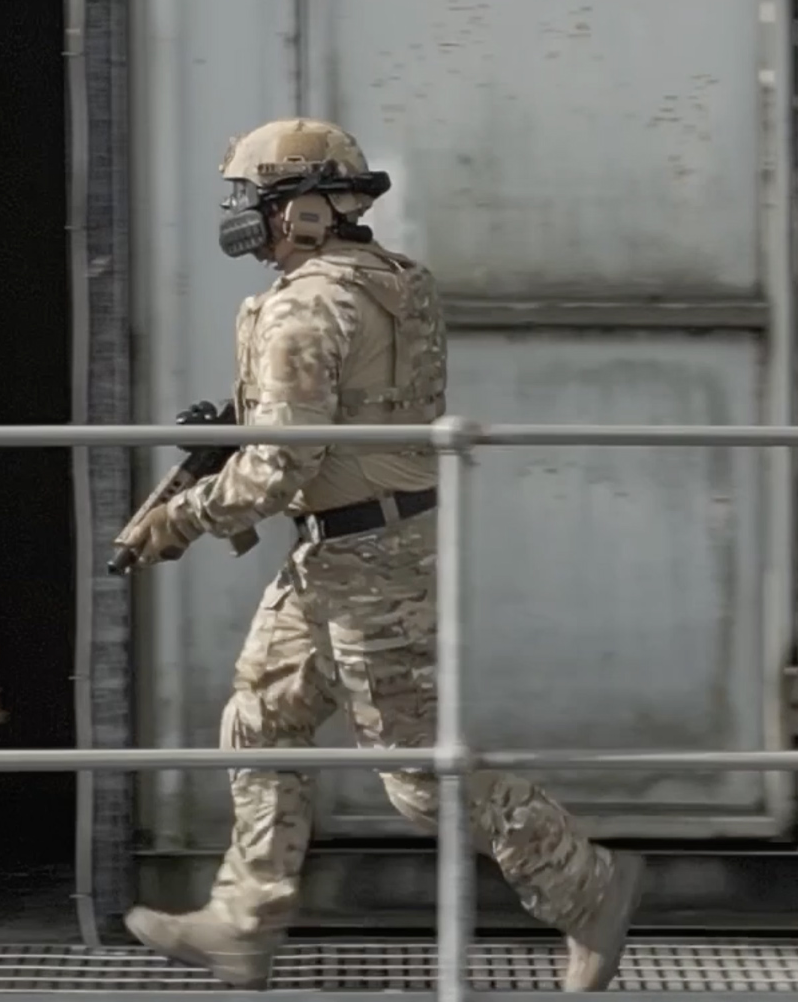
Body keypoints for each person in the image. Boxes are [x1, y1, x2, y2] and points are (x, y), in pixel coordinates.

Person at [119, 117, 644, 992]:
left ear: (307, 210)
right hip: (366, 545)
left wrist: (180, 518)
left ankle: (588, 887)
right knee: (263, 717)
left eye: (260, 204)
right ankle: (245, 923)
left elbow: (284, 465)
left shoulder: (302, 303)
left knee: (417, 775)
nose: (248, 222)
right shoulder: (396, 281)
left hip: (364, 563)